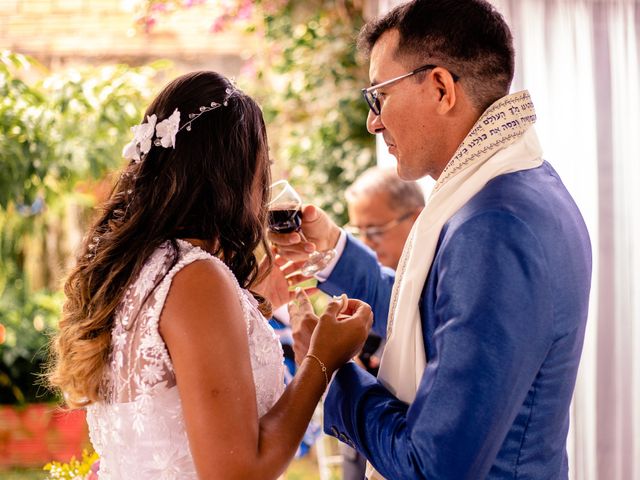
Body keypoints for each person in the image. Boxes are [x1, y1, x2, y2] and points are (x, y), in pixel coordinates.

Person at [270, 1, 592, 479]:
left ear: (441, 88)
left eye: (378, 96)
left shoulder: (495, 226)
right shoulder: (525, 181)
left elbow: (433, 468)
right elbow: (441, 312)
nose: (372, 122)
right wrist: (333, 250)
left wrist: (333, 370)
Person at [46, 71, 372, 479]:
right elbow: (237, 472)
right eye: (261, 168)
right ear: (232, 176)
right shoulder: (196, 277)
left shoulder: (137, 268)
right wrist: (321, 359)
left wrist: (254, 301)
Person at [343, 166, 424, 479]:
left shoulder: (433, 286)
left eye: (375, 231)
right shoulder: (360, 285)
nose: (365, 243)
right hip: (358, 446)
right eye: (358, 232)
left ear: (416, 219)